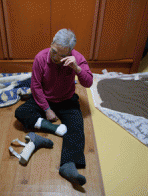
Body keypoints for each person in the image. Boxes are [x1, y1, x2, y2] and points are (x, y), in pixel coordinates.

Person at [15, 28, 93, 186]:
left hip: (66, 99)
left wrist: (77, 69)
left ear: (70, 52)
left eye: (62, 55)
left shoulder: (77, 58)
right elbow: (35, 86)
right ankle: (52, 128)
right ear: (51, 44)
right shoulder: (41, 58)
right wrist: (46, 109)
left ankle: (68, 165)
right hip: (45, 99)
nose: (56, 57)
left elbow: (88, 82)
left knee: (77, 126)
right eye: (54, 51)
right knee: (21, 112)